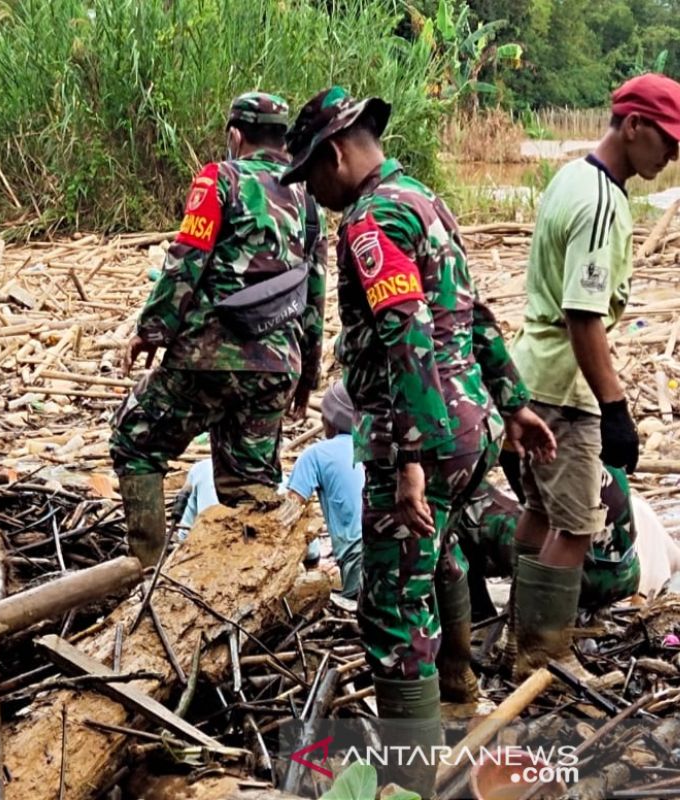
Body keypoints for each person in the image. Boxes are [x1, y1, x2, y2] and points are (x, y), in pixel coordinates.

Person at [282, 87, 555, 795]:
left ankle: (413, 776)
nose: (313, 190)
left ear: (336, 154)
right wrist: (514, 403)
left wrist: (406, 458)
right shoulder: (425, 200)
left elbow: (405, 335)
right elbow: (475, 312)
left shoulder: (372, 221)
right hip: (472, 427)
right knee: (442, 555)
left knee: (394, 605)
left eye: (311, 174)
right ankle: (461, 692)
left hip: (424, 436)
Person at [509, 74, 680, 679]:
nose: (670, 155)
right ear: (633, 125)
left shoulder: (568, 178)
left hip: (531, 374)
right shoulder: (603, 201)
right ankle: (540, 651)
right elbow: (583, 316)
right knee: (578, 525)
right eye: (666, 140)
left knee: (536, 510)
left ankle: (516, 632)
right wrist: (614, 407)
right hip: (565, 386)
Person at [110, 92, 327, 568]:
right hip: (275, 368)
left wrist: (152, 331)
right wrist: (306, 375)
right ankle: (246, 589)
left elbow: (186, 260)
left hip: (205, 360)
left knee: (135, 439)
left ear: (235, 135)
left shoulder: (219, 179)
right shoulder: (309, 198)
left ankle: (144, 574)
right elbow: (315, 293)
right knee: (249, 485)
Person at [175, 381, 363, 598]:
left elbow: (289, 519)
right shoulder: (379, 451)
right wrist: (315, 565)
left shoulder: (315, 455)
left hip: (358, 559)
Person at [457, 467, 641, 621]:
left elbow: (531, 501)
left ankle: (480, 618)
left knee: (456, 529)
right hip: (628, 574)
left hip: (578, 582)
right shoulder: (601, 448)